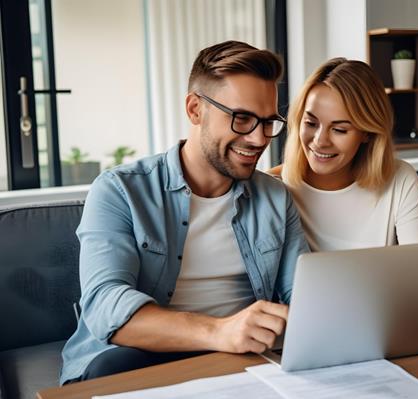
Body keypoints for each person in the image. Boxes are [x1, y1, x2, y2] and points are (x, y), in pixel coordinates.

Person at [60, 40, 309, 384]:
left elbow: (305, 295)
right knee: (111, 369)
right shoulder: (120, 190)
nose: (258, 139)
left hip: (240, 360)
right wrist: (220, 332)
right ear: (195, 109)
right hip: (139, 359)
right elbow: (106, 305)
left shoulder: (275, 198)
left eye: (268, 122)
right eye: (242, 119)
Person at [271, 57, 418, 312]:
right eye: (310, 123)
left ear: (367, 132)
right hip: (315, 320)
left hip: (386, 316)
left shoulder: (400, 179)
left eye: (339, 129)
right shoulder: (274, 188)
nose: (319, 141)